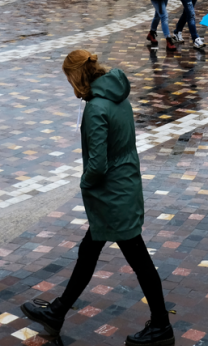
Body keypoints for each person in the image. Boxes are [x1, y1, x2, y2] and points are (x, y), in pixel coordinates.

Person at [21, 50, 174, 346]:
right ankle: (57, 311)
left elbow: (98, 164)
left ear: (76, 76)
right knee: (88, 251)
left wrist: (84, 183)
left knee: (139, 261)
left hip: (111, 195)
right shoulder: (117, 96)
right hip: (124, 186)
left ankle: (162, 325)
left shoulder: (96, 108)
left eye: (69, 78)